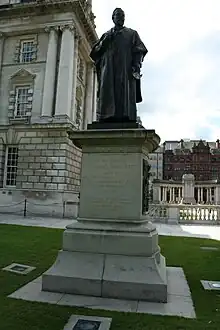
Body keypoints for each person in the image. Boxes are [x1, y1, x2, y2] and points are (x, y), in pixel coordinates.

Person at [90, 8, 148, 123]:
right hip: (109, 70)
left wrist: (136, 65)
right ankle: (107, 116)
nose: (121, 18)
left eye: (122, 16)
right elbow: (95, 53)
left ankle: (125, 116)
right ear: (113, 18)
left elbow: (140, 49)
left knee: (123, 94)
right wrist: (103, 42)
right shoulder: (106, 35)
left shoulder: (131, 34)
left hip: (125, 69)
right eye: (118, 15)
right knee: (109, 92)